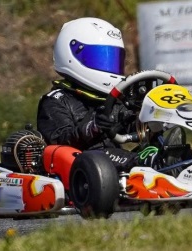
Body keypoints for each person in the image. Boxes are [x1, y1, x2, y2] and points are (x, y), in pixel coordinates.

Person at [36, 17, 145, 171]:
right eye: (100, 58)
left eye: (113, 59)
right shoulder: (56, 101)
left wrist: (144, 117)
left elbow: (128, 126)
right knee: (139, 162)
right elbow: (60, 142)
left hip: (108, 165)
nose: (108, 66)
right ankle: (151, 165)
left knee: (157, 151)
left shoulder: (109, 99)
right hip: (82, 168)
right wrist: (93, 127)